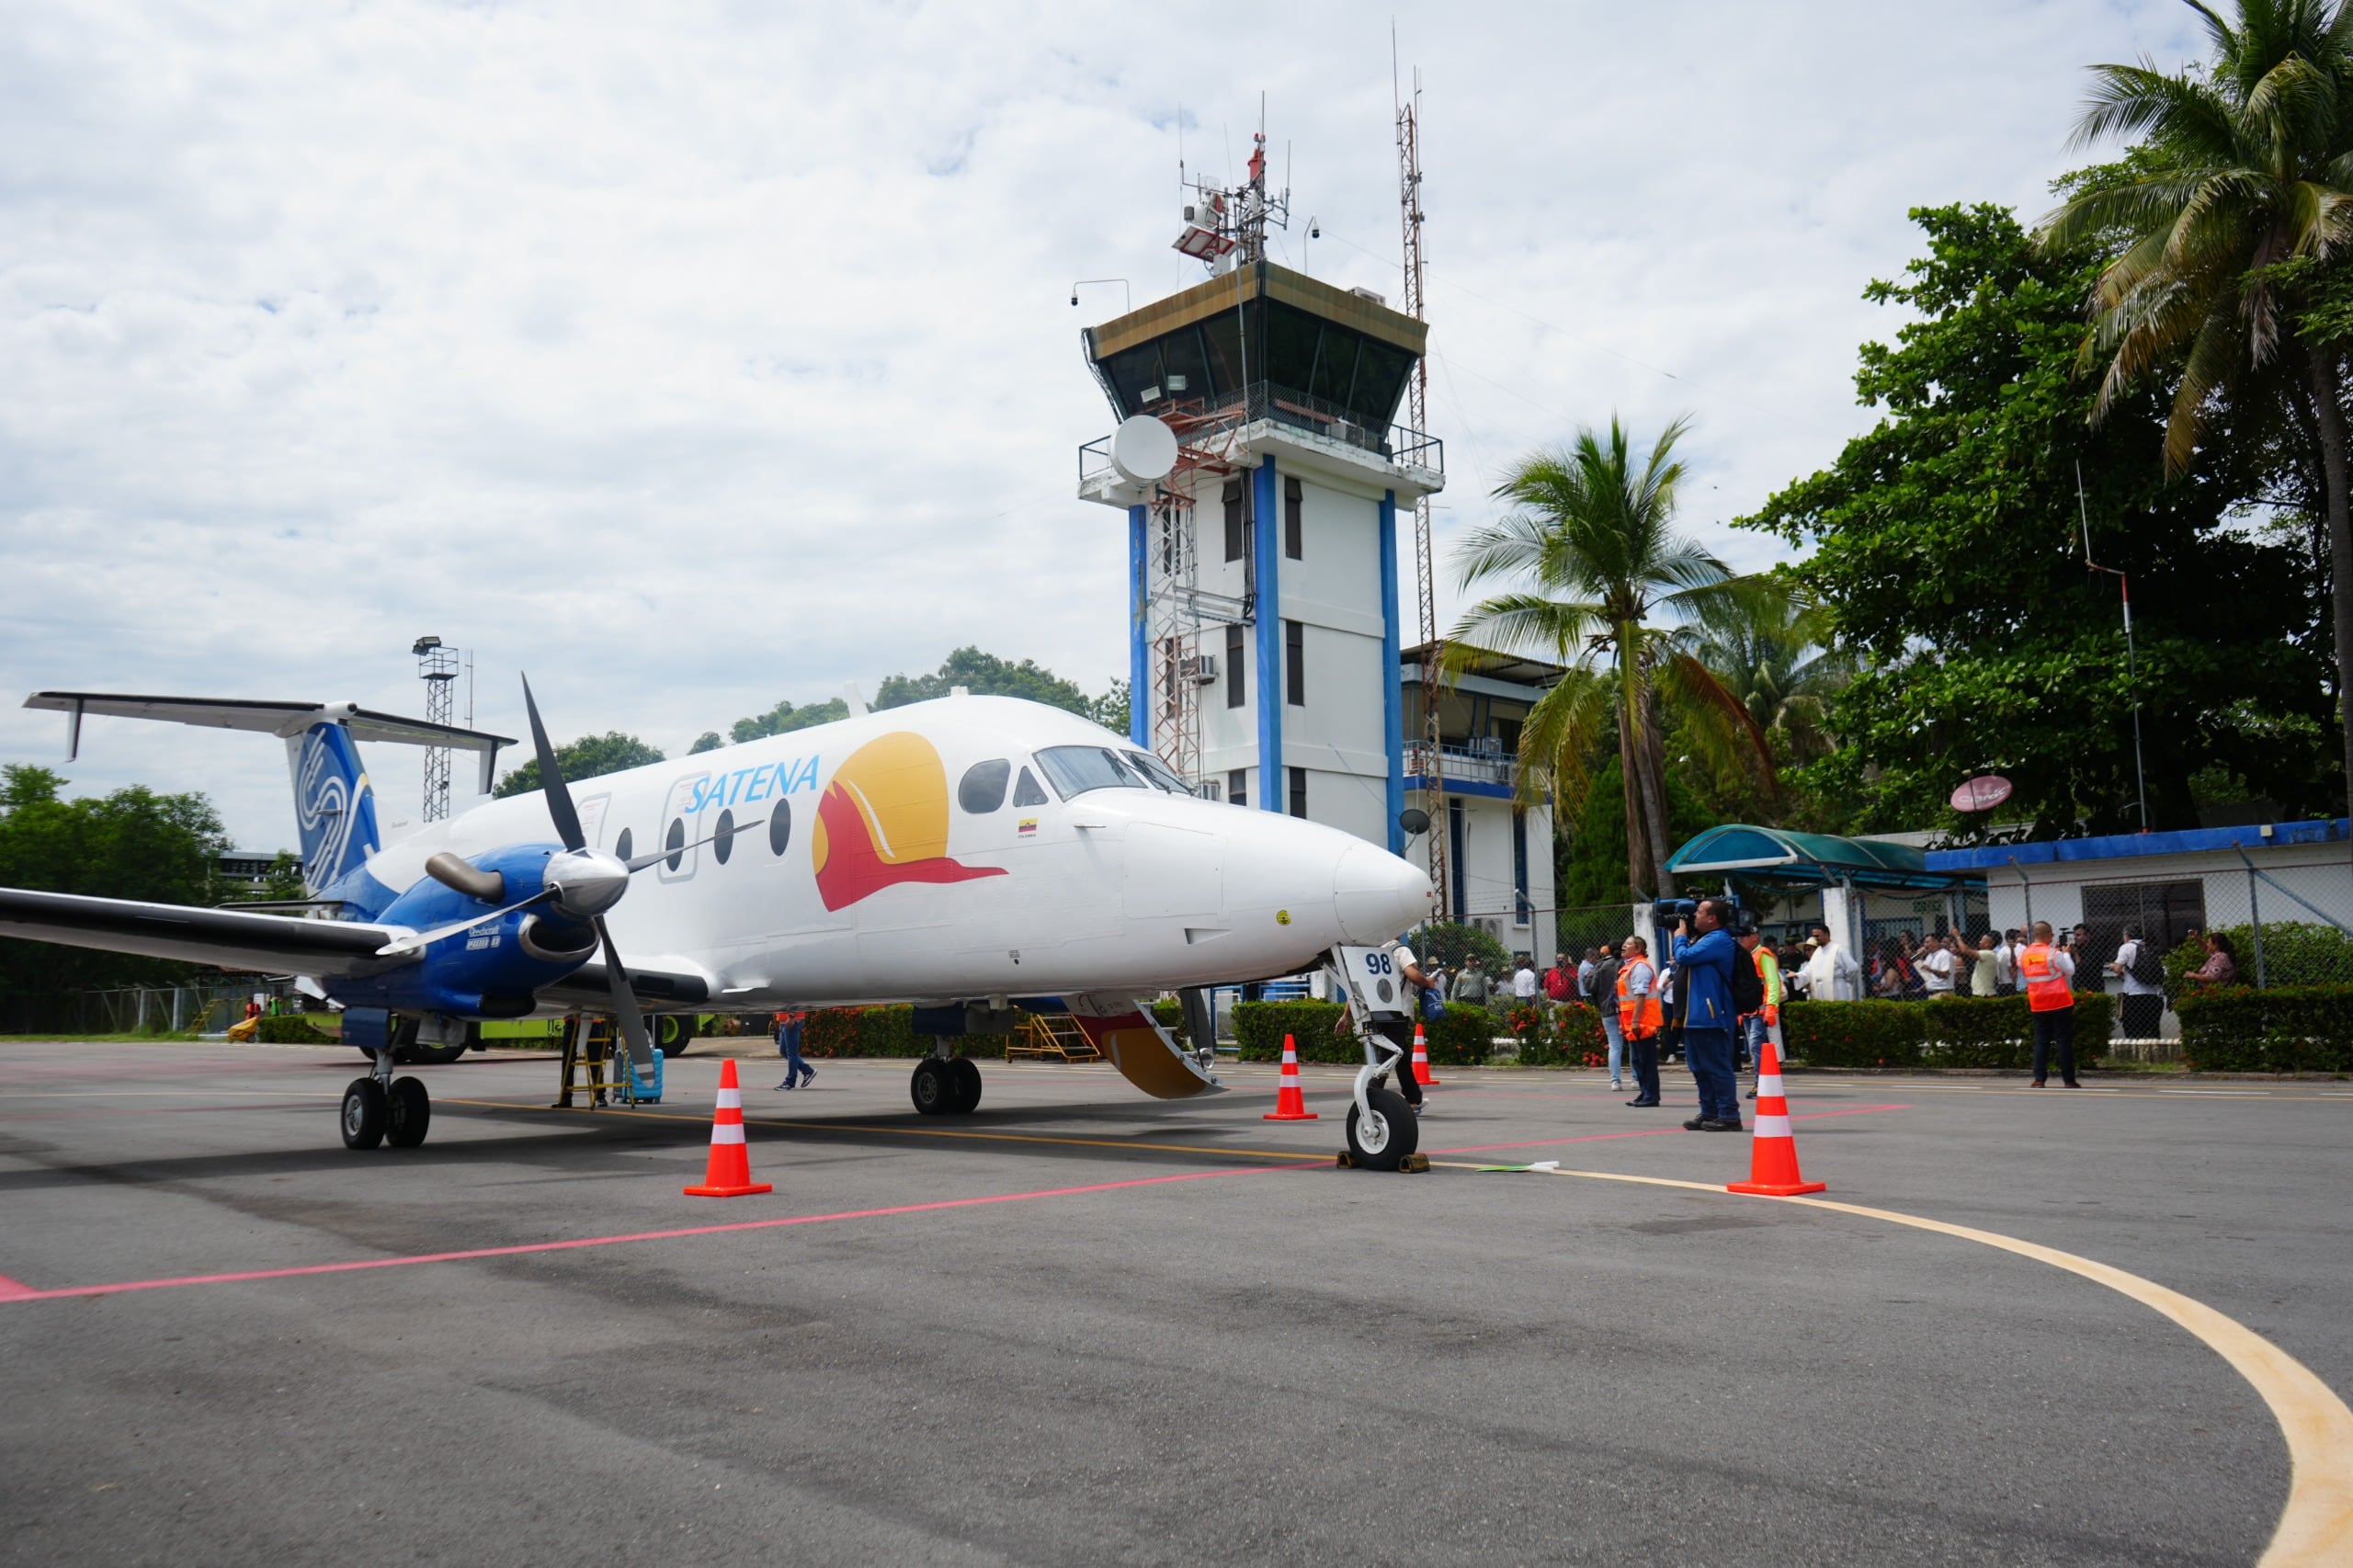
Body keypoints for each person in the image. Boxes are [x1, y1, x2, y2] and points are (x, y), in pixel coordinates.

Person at [1671, 899, 1743, 1131]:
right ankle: (1709, 1111)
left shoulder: (1718, 939)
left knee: (1718, 1068)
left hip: (1711, 1016)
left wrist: (1679, 937)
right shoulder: (1704, 939)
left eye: (1699, 912)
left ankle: (1729, 1115)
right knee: (1699, 1068)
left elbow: (1684, 957)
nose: (1694, 916)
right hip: (1695, 1016)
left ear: (1712, 918)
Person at [2018, 920, 2080, 1088]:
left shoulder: (2024, 955)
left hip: (2038, 1002)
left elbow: (2025, 972)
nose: (2052, 938)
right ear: (2046, 935)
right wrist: (2066, 953)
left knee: (2041, 1041)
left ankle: (2039, 1079)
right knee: (2063, 1041)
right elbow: (2070, 971)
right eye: (2051, 935)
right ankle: (2069, 1080)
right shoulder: (2053, 954)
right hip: (2059, 1001)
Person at [1736, 922, 1783, 1100]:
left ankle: (1761, 1084)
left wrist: (1771, 1008)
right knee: (1754, 1048)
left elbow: (1772, 982)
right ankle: (1762, 1082)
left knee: (1757, 1047)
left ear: (1755, 937)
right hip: (1749, 1010)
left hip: (1761, 1009)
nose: (1740, 939)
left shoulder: (1763, 954)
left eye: (1744, 936)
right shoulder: (1746, 956)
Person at [1617, 935, 1664, 1106]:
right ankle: (1645, 1093)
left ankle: (1651, 1096)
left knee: (1646, 1060)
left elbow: (1640, 995)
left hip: (1643, 1021)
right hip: (1633, 1022)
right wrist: (1624, 1024)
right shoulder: (1629, 967)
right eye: (1624, 943)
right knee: (1638, 1060)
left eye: (1628, 944)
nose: (1624, 946)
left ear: (1638, 949)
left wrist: (1635, 1021)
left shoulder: (1640, 967)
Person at [2109, 923, 2164, 1040]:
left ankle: (2136, 1055)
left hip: (2134, 995)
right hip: (2154, 994)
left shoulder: (2126, 947)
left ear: (2127, 936)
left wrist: (2112, 965)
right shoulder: (2148, 946)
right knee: (2152, 1029)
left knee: (2133, 1028)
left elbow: (2118, 969)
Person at [1589, 941, 1624, 1089]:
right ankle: (1636, 1078)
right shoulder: (1626, 964)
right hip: (1625, 1008)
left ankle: (1615, 1080)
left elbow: (1591, 987)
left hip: (1607, 1008)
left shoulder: (1600, 966)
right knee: (1633, 1044)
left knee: (1614, 1045)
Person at [1802, 921, 1859, 1001]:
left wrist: (1845, 980)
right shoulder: (1818, 952)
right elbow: (1809, 970)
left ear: (1826, 935)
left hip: (1836, 987)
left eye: (1817, 936)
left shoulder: (1838, 949)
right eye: (1814, 936)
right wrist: (1797, 975)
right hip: (1819, 989)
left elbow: (1853, 968)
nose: (1816, 939)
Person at [774, 1009, 813, 1091]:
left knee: (791, 1053)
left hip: (792, 1020)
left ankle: (790, 1082)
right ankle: (807, 1070)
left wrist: (792, 1016)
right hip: (784, 1020)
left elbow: (794, 998)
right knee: (784, 1051)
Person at [1918, 932, 1958, 997]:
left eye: (1927, 942)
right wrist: (1921, 956)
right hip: (1931, 993)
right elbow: (1928, 975)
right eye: (1924, 943)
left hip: (1943, 993)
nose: (1925, 945)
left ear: (1936, 942)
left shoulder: (1945, 954)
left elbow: (1946, 974)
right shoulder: (1929, 956)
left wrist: (1930, 970)